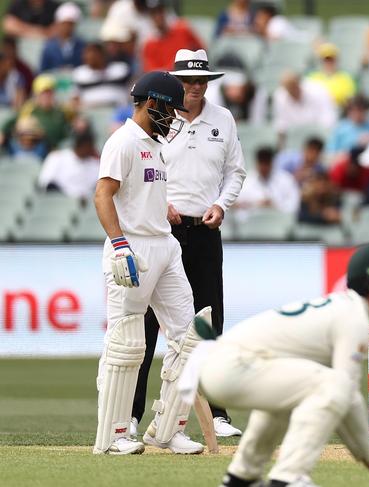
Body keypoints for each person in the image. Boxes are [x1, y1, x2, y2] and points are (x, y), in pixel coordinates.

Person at [181, 241, 369, 487]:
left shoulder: (342, 307)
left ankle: (242, 477)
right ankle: (289, 476)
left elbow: (343, 397)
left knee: (294, 393)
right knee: (332, 384)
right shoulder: (354, 318)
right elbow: (345, 392)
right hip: (231, 366)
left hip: (219, 366)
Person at [131, 49, 246, 439]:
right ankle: (131, 416)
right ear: (176, 82)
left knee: (209, 321)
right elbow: (144, 169)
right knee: (148, 324)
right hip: (163, 231)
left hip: (204, 231)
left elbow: (236, 171)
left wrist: (221, 204)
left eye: (201, 81)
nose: (195, 88)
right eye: (188, 81)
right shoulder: (160, 118)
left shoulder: (223, 119)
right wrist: (159, 204)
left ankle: (218, 415)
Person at [93, 70, 205, 455]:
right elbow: (103, 195)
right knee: (126, 342)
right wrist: (119, 243)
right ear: (152, 102)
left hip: (164, 244)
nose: (174, 118)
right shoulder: (122, 142)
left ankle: (167, 428)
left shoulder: (156, 145)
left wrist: (164, 208)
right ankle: (113, 435)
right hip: (133, 248)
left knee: (191, 337)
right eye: (170, 109)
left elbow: (141, 191)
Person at [38, 128, 100, 198]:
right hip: (59, 202)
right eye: (85, 144)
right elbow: (45, 183)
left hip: (86, 204)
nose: (88, 148)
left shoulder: (96, 165)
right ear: (78, 144)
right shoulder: (56, 157)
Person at [39, 2, 86, 72]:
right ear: (58, 23)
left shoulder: (82, 45)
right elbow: (42, 70)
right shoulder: (49, 46)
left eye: (70, 24)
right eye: (64, 23)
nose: (67, 27)